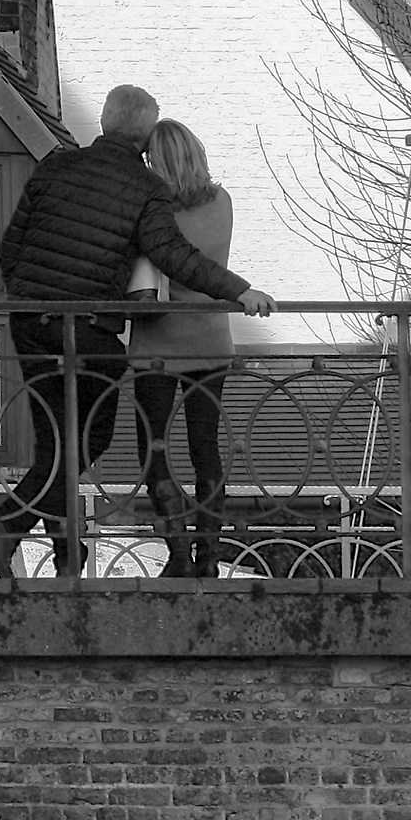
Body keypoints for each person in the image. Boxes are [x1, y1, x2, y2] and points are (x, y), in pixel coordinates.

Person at [0, 85, 275, 578]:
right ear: (142, 142)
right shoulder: (147, 190)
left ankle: (62, 552)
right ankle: (21, 528)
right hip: (96, 329)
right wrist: (240, 291)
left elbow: (10, 250)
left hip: (34, 323)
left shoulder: (54, 165)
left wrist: (29, 296)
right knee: (95, 437)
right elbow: (177, 257)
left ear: (103, 120)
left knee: (58, 441)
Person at [128, 120, 235, 579]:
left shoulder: (151, 210)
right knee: (204, 448)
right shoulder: (222, 202)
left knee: (152, 448)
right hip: (211, 337)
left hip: (158, 340)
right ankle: (209, 556)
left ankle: (177, 553)